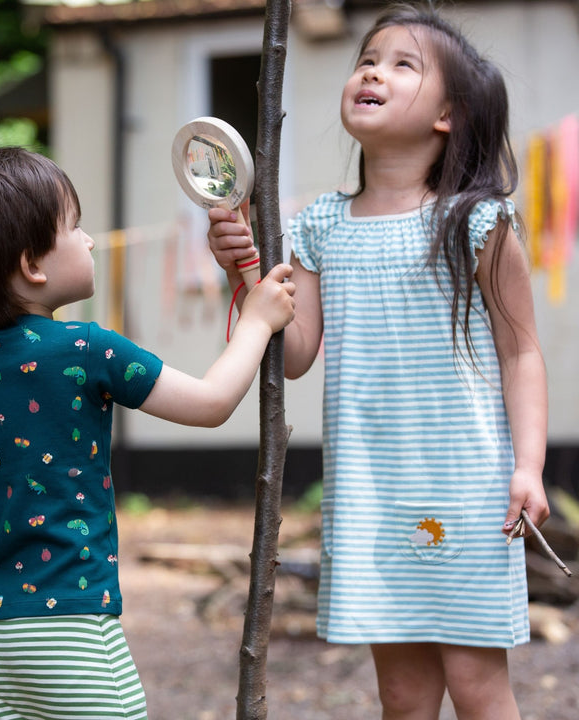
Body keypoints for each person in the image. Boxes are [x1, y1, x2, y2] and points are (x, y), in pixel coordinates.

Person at [207, 3, 549, 719]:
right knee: (402, 694)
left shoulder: (476, 220)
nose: (372, 70)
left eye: (402, 64)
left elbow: (522, 353)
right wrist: (246, 271)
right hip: (371, 495)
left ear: (448, 115)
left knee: (479, 686)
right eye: (368, 58)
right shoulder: (321, 226)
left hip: (468, 489)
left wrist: (529, 466)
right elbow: (296, 354)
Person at [0, 146, 295, 720]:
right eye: (76, 227)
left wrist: (13, 464)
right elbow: (211, 404)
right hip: (74, 629)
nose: (88, 240)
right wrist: (258, 321)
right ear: (32, 265)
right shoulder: (87, 349)